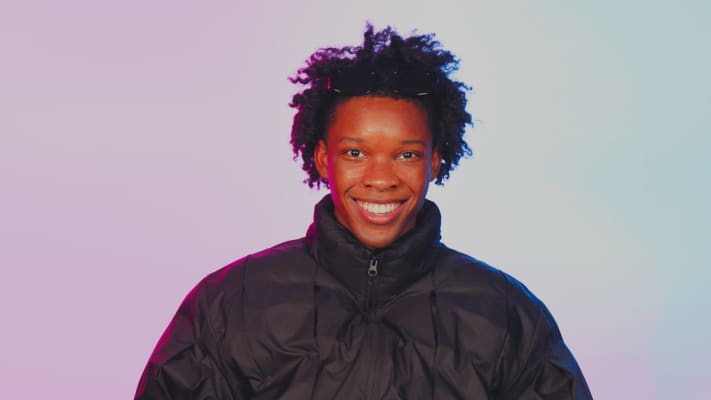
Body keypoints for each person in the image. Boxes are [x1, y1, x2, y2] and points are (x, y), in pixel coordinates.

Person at [135, 25, 593, 399]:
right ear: (322, 159)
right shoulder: (230, 303)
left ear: (435, 162)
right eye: (355, 153)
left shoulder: (505, 313)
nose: (381, 178)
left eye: (406, 155)